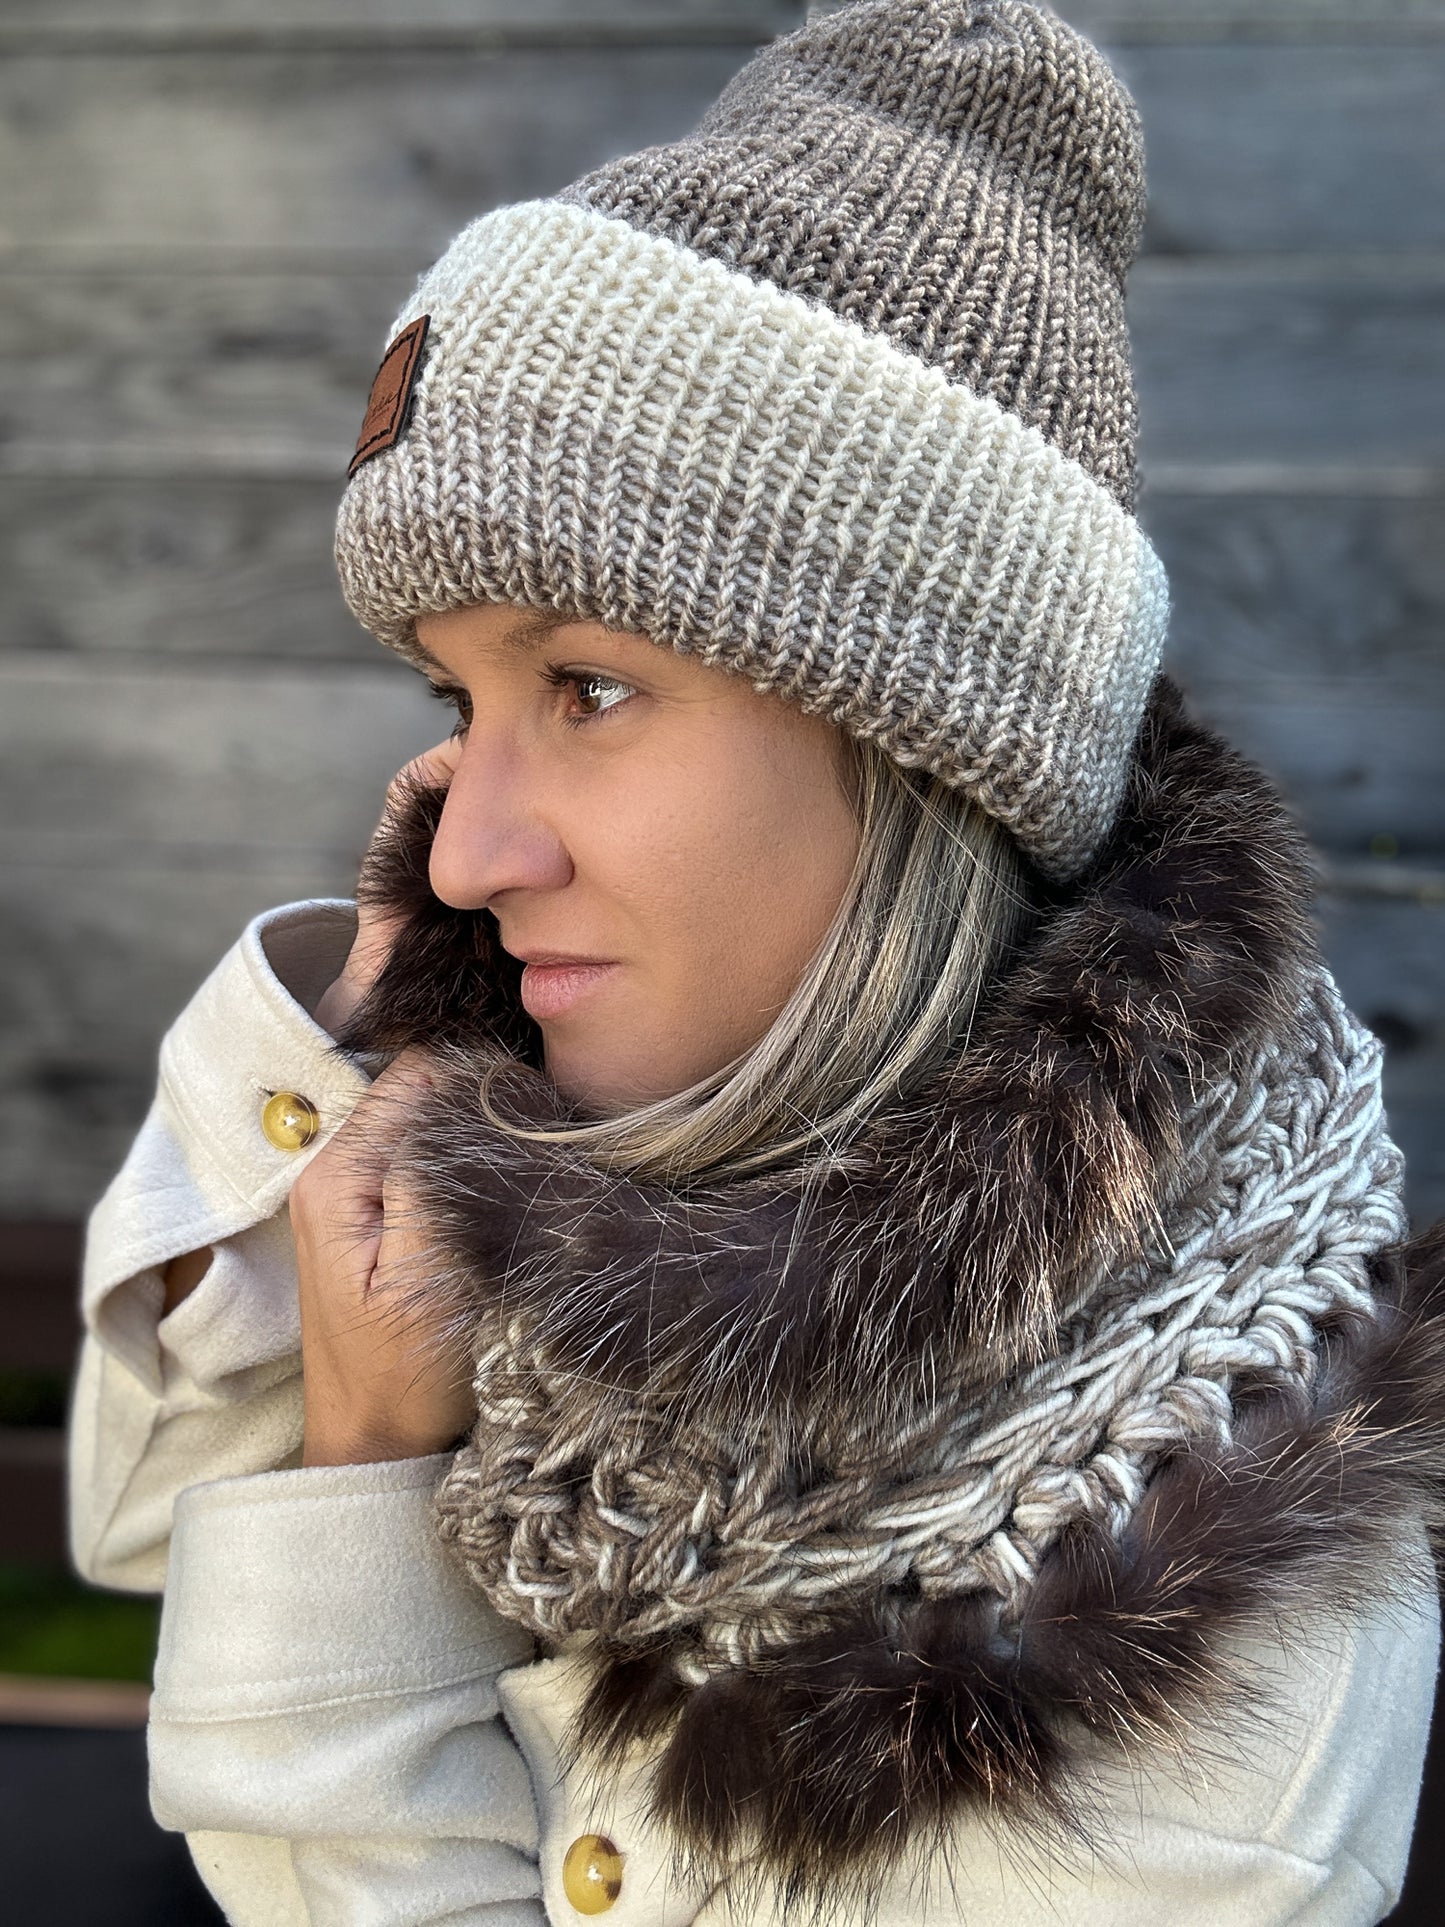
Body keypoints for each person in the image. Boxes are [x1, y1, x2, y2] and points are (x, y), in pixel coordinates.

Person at [67, 3, 1445, 1923]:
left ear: (919, 753)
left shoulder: (1189, 1622)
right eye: (457, 700)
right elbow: (135, 1525)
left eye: (590, 685)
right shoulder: (543, 1130)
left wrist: (367, 1462)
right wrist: (367, 1059)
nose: (464, 846)